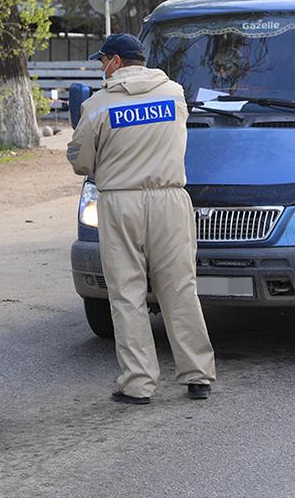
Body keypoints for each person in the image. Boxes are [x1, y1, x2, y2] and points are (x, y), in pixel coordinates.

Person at [68, 33, 217, 404]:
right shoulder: (174, 94)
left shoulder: (98, 105)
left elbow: (80, 161)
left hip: (121, 202)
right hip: (171, 200)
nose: (102, 68)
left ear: (116, 61)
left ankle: (138, 384)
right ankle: (198, 375)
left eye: (103, 61)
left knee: (127, 293)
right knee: (179, 288)